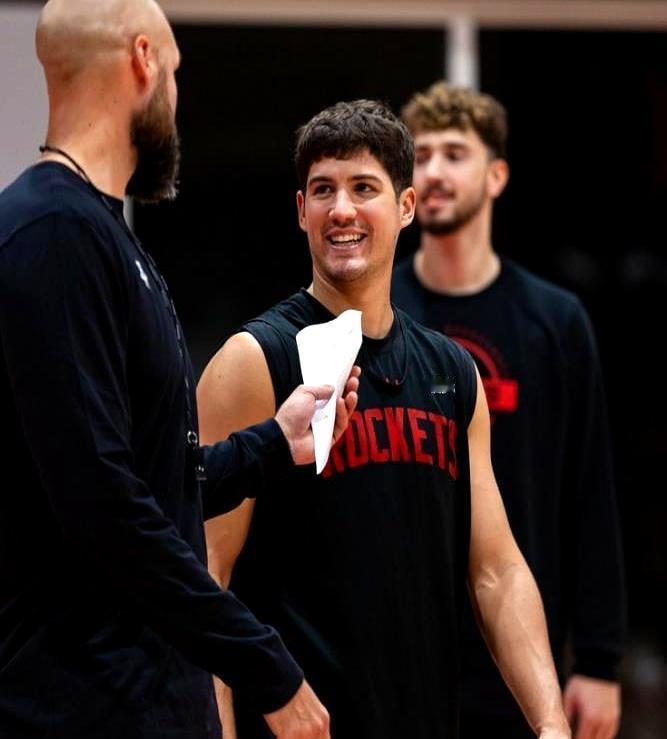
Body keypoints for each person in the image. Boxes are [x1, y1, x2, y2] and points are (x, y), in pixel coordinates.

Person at [0, 2, 360, 737]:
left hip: (145, 696)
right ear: (142, 60)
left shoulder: (100, 233)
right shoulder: (53, 233)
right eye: (174, 71)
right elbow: (103, 506)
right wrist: (263, 663)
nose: (176, 96)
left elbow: (150, 478)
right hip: (83, 704)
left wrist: (271, 444)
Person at [197, 98, 571, 739]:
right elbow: (206, 575)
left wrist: (551, 723)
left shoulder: (453, 372)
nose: (341, 209)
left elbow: (496, 569)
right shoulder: (254, 360)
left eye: (363, 188)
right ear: (301, 211)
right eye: (323, 190)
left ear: (406, 206)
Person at [392, 80, 626, 739]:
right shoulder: (378, 313)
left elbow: (589, 492)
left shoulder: (554, 319)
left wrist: (599, 660)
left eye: (454, 154)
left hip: (520, 648)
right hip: (400, 649)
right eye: (421, 156)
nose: (434, 172)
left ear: (496, 176)